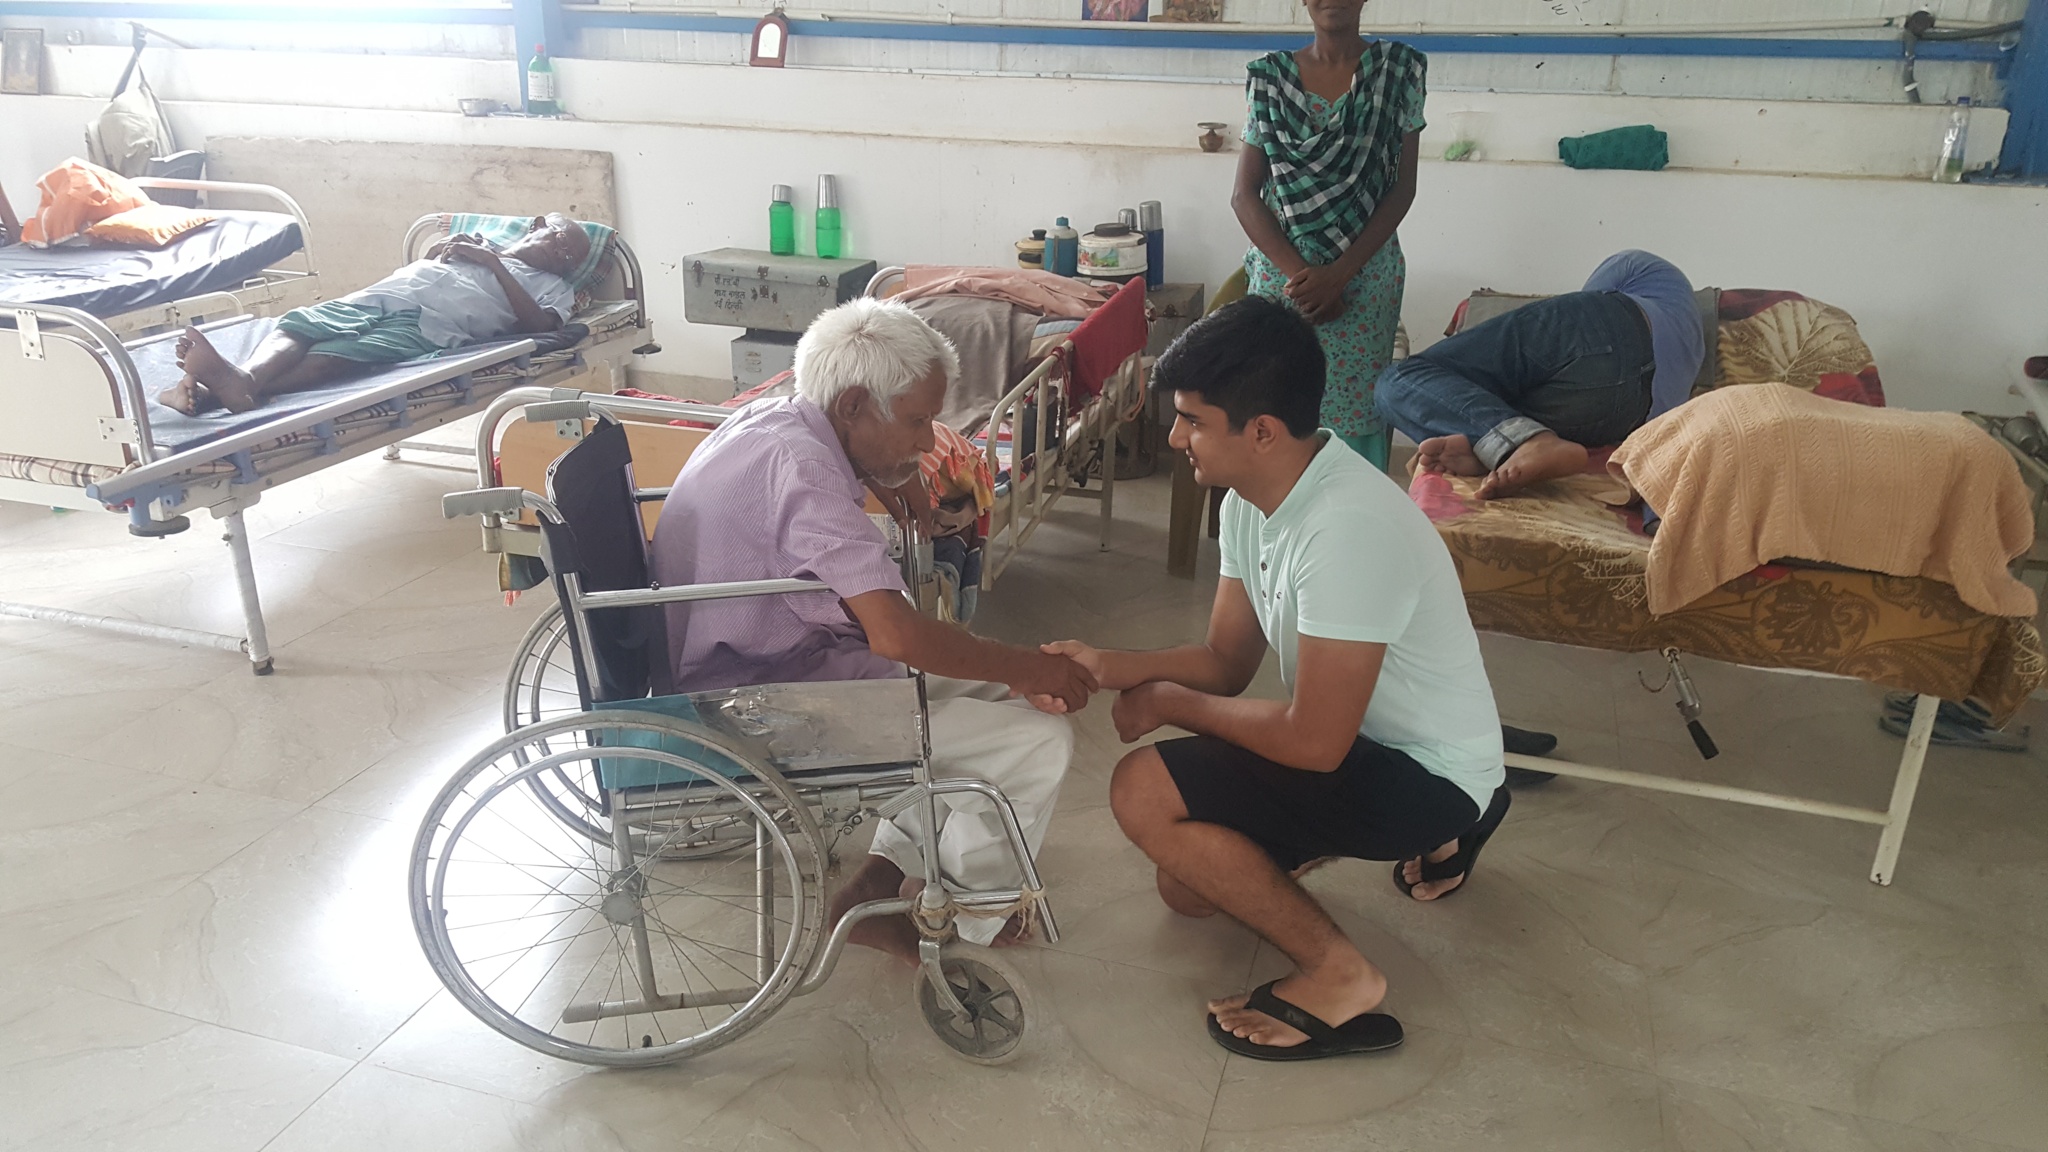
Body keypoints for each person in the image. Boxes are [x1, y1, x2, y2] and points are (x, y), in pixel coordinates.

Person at [1047, 297, 1510, 1061]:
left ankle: (1341, 973)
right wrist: (1111, 668)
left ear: (1262, 431)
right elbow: (1227, 660)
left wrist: (1168, 702)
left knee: (1144, 790)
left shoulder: (1346, 530)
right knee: (1189, 890)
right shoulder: (1251, 501)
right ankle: (1349, 841)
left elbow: (1316, 742)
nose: (1173, 437)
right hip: (1363, 742)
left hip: (1424, 774)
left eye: (1192, 420)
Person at [650, 297, 1097, 963]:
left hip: (760, 659)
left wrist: (889, 474)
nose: (926, 442)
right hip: (760, 704)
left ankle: (881, 882)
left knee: (996, 704)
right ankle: (961, 927)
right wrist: (1030, 665)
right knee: (1037, 742)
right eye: (917, 421)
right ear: (855, 405)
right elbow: (895, 635)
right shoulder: (803, 471)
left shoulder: (777, 421)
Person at [1232, 0, 1426, 471]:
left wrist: (1339, 275)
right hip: (1285, 283)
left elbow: (1402, 188)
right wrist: (1304, 278)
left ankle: (1350, 538)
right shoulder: (1269, 77)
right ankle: (1276, 543)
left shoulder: (1399, 70)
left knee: (1355, 426)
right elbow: (1244, 195)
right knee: (1275, 415)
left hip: (1363, 279)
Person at [158, 212, 592, 416]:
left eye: (570, 255)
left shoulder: (554, 287)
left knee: (344, 354)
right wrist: (448, 249)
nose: (563, 254)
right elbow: (433, 261)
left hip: (435, 326)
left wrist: (493, 264)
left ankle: (212, 392)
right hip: (392, 291)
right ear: (536, 225)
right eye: (559, 238)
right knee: (307, 324)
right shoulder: (478, 239)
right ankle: (242, 382)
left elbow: (540, 327)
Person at [1374, 249, 1705, 500]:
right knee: (1484, 404)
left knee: (1401, 379)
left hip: (1612, 331)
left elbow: (1585, 305)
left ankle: (1527, 441)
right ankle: (1496, 446)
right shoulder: (1687, 355)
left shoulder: (1638, 264)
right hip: (1620, 414)